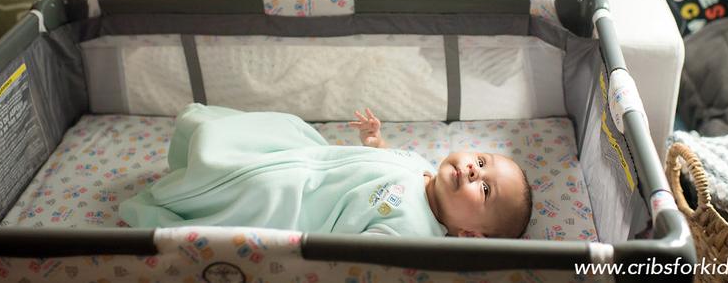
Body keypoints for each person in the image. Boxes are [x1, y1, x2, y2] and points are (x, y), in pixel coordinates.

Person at [119, 104, 532, 239]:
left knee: (255, 182)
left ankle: (191, 191)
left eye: (486, 191)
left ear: (468, 235)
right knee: (279, 126)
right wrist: (376, 141)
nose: (474, 172)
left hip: (299, 199)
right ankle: (200, 148)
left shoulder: (415, 232)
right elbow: (391, 161)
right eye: (481, 162)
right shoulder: (424, 167)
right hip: (315, 158)